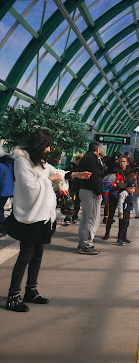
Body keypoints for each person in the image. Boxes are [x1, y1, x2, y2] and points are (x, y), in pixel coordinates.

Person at [5, 129, 90, 312]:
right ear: (39, 146)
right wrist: (50, 179)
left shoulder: (40, 161)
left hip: (44, 216)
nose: (49, 149)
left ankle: (31, 291)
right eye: (47, 146)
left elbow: (56, 171)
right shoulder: (22, 161)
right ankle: (13, 296)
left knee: (38, 255)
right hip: (30, 216)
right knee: (25, 256)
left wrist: (76, 175)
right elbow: (29, 186)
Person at [77, 141, 104, 255]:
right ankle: (87, 245)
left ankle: (82, 243)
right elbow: (94, 176)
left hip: (83, 190)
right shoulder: (93, 159)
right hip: (91, 191)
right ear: (98, 149)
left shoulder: (84, 158)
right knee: (93, 218)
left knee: (85, 218)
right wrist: (98, 192)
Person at [104, 156, 134, 240]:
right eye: (120, 161)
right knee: (110, 215)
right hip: (114, 195)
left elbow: (129, 184)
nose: (122, 163)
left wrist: (119, 185)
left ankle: (121, 235)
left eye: (124, 161)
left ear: (127, 163)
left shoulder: (130, 172)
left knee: (123, 216)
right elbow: (109, 181)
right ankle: (107, 232)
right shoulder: (114, 170)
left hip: (125, 197)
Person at [63, 153, 84, 223]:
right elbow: (65, 173)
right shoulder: (71, 166)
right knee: (69, 201)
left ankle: (75, 216)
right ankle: (68, 217)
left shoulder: (82, 168)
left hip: (79, 186)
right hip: (71, 186)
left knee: (77, 202)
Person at [116, 180, 136, 246]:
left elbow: (131, 204)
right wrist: (120, 213)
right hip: (123, 212)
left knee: (126, 225)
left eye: (134, 189)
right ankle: (119, 239)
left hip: (127, 211)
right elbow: (120, 203)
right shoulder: (123, 193)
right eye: (131, 188)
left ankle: (124, 237)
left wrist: (130, 212)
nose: (132, 190)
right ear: (127, 187)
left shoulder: (131, 194)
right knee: (122, 226)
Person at [0, 148, 14, 237]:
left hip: (2, 190)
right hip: (9, 190)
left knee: (0, 210)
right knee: (1, 209)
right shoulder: (9, 165)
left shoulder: (1, 166)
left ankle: (2, 228)